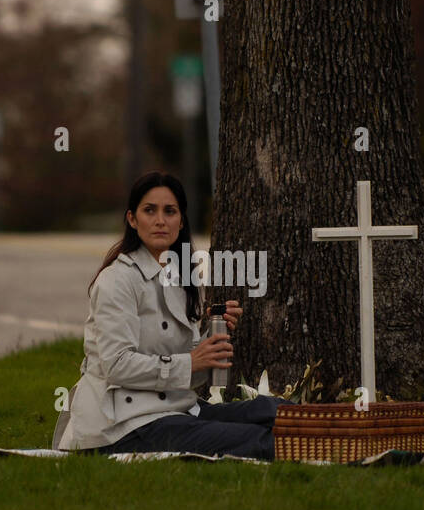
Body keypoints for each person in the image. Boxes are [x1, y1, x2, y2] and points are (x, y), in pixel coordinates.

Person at [52, 171, 288, 460]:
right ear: (132, 219)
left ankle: (346, 430)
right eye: (149, 210)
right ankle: (324, 451)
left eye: (170, 211)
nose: (160, 220)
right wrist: (191, 360)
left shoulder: (181, 280)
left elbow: (186, 376)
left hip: (175, 410)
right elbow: (117, 365)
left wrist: (209, 343)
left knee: (272, 411)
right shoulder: (117, 280)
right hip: (123, 425)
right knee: (257, 439)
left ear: (181, 220)